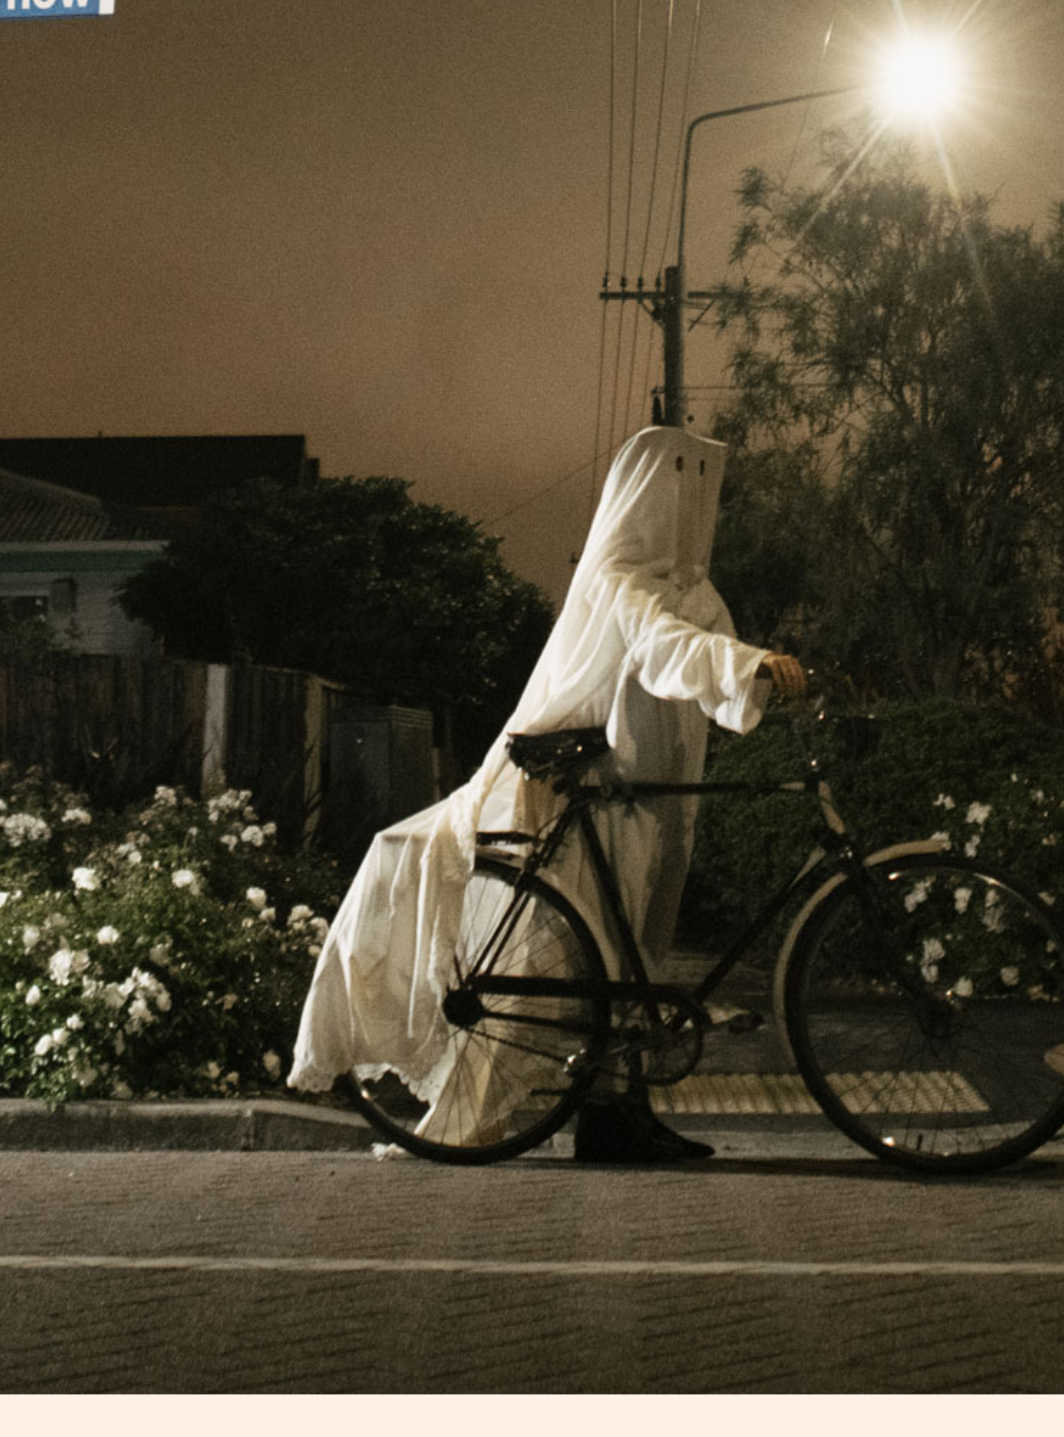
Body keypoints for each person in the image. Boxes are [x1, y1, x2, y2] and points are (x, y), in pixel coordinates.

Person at [289, 423, 804, 1163]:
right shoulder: (622, 578)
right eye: (678, 486)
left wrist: (752, 672)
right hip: (602, 790)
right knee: (582, 964)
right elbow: (662, 645)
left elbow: (694, 650)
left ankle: (617, 1116)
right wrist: (747, 664)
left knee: (635, 962)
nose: (690, 506)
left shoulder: (694, 590)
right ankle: (573, 1114)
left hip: (659, 796)